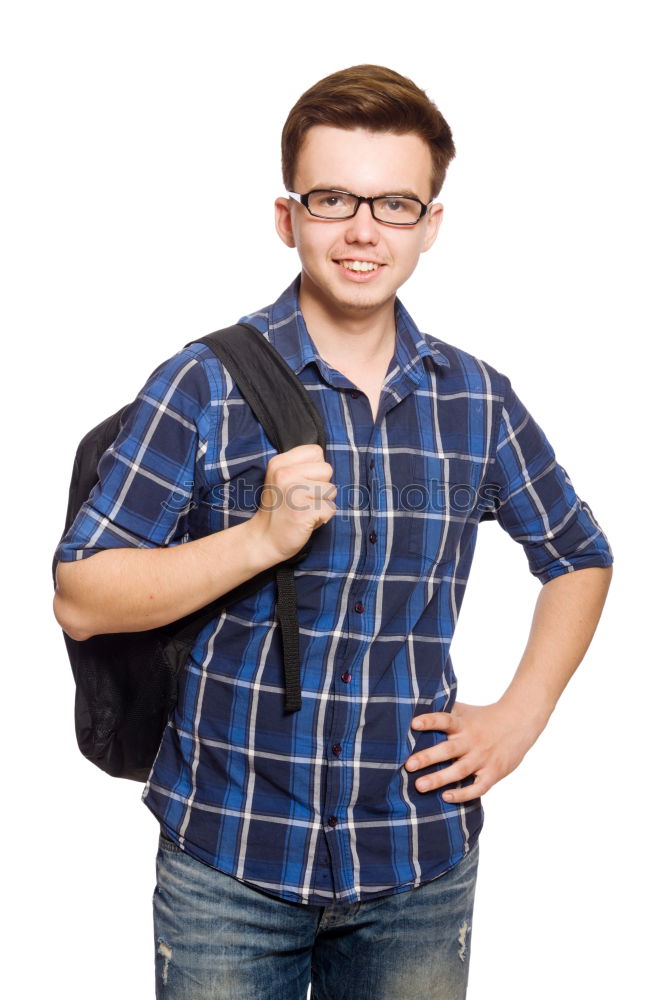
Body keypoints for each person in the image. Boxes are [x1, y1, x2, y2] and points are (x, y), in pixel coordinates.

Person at [53, 64, 613, 999]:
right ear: (289, 217)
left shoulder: (475, 400)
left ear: (431, 225)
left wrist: (522, 716)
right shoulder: (203, 384)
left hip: (416, 860)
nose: (363, 230)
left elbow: (578, 555)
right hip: (229, 856)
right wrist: (261, 539)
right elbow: (80, 595)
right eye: (333, 198)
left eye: (394, 203)